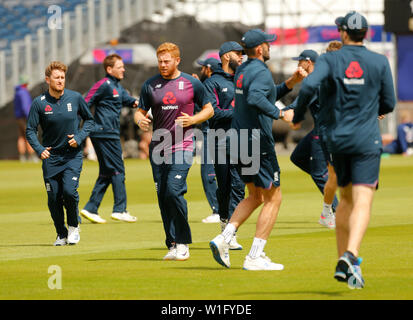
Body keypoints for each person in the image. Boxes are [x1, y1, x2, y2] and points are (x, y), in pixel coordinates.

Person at [294, 11, 396, 288]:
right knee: (363, 200)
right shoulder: (379, 61)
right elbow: (388, 103)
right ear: (368, 33)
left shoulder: (329, 59)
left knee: (346, 200)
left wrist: (296, 116)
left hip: (338, 140)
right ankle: (351, 255)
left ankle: (345, 264)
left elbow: (309, 87)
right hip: (366, 141)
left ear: (342, 32)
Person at [209, 29, 306, 271]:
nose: (271, 47)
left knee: (256, 196)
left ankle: (224, 237)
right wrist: (281, 113)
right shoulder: (260, 71)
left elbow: (266, 92)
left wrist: (290, 83)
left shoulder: (243, 69)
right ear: (261, 49)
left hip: (239, 140)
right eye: (268, 44)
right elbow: (256, 98)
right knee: (274, 198)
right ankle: (254, 256)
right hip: (257, 142)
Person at [135, 42, 214, 261]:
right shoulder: (150, 85)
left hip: (184, 145)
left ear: (177, 61)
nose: (162, 65)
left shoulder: (191, 83)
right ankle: (171, 243)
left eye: (166, 61)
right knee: (163, 197)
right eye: (159, 61)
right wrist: (140, 120)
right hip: (158, 149)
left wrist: (194, 119)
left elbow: (209, 109)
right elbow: (140, 112)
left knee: (173, 190)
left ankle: (183, 242)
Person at [26, 61, 95, 246]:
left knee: (69, 192)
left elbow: (89, 121)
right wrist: (39, 149)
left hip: (72, 156)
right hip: (51, 157)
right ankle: (61, 234)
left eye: (63, 77)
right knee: (54, 197)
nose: (60, 81)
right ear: (48, 80)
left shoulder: (75, 98)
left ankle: (73, 226)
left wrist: (79, 137)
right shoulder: (39, 103)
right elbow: (30, 130)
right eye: (56, 77)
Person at [80, 54, 138, 224]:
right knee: (118, 169)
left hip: (110, 133)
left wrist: (144, 102)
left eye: (123, 66)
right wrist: (88, 124)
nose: (123, 69)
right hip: (104, 133)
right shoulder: (103, 85)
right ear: (109, 69)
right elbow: (85, 102)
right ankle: (120, 209)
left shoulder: (118, 87)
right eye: (119, 67)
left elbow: (128, 101)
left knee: (107, 172)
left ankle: (91, 208)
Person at [288, 49, 339, 229]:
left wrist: (283, 112)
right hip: (320, 128)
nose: (297, 64)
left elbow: (300, 103)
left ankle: (336, 211)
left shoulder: (316, 79)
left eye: (300, 61)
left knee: (318, 173)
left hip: (324, 130)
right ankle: (330, 180)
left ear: (308, 62)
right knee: (297, 157)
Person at [203, 41, 246, 249]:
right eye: (238, 54)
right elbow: (214, 113)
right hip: (220, 139)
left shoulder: (243, 79)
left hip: (245, 139)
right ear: (226, 56)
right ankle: (224, 224)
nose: (242, 57)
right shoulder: (212, 83)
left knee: (239, 185)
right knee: (225, 187)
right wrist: (240, 114)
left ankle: (231, 232)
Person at [192, 58, 221, 223]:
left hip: (212, 134)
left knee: (208, 174)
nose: (201, 69)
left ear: (208, 69)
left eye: (203, 67)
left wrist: (198, 90)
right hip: (215, 133)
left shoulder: (209, 85)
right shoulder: (214, 83)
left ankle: (218, 211)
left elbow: (207, 110)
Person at [14, 75, 36, 162]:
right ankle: (32, 156)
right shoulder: (23, 92)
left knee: (21, 137)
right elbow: (25, 106)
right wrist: (30, 117)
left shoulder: (17, 92)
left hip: (18, 118)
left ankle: (22, 157)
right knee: (29, 136)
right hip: (24, 118)